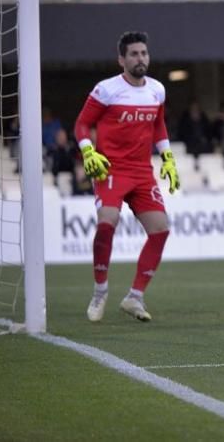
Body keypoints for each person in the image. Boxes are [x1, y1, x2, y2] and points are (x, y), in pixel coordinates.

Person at [75, 32, 181, 323]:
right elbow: (82, 124)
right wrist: (87, 152)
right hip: (111, 168)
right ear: (121, 59)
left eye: (144, 53)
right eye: (134, 54)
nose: (140, 59)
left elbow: (158, 127)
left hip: (142, 172)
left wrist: (168, 158)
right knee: (107, 222)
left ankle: (134, 297)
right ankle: (100, 291)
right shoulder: (106, 89)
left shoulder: (157, 90)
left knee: (160, 230)